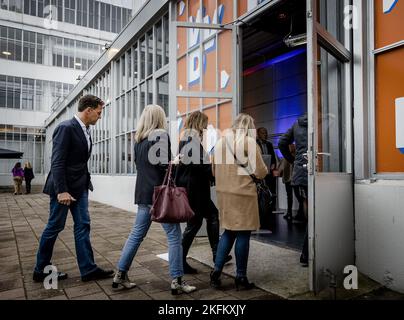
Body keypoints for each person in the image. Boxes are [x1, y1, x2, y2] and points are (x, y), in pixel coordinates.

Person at [112, 104, 197, 295]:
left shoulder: (139, 140)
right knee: (174, 236)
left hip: (143, 193)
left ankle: (120, 274)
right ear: (159, 118)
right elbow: (163, 166)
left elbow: (146, 165)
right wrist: (175, 161)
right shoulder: (160, 135)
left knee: (136, 235)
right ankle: (177, 281)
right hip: (159, 195)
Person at [33, 94, 114, 282]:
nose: (100, 116)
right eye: (99, 112)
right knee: (55, 226)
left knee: (83, 226)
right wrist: (62, 190)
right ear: (88, 110)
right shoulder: (66, 127)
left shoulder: (85, 129)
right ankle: (40, 269)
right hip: (64, 189)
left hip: (80, 187)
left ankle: (88, 269)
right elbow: (57, 161)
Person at [210, 114, 268, 290]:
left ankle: (216, 272)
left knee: (228, 232)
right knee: (243, 233)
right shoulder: (249, 143)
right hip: (243, 194)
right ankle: (240, 277)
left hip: (224, 194)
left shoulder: (220, 143)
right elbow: (261, 172)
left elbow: (213, 171)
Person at [175, 111, 232, 274]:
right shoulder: (191, 141)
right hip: (195, 190)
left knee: (207, 218)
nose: (206, 127)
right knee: (199, 222)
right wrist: (214, 165)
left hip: (192, 189)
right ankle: (184, 260)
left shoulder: (186, 139)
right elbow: (199, 166)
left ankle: (216, 254)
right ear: (199, 123)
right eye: (205, 124)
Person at [278, 114, 309, 267]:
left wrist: (293, 160)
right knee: (317, 215)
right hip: (321, 170)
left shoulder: (297, 123)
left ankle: (307, 252)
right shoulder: (326, 120)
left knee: (308, 209)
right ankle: (307, 252)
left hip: (301, 173)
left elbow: (282, 142)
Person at [256, 127, 277, 228]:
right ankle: (261, 214)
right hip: (259, 171)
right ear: (258, 134)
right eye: (263, 133)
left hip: (269, 172)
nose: (265, 134)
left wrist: (273, 165)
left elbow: (273, 157)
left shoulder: (269, 144)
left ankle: (269, 212)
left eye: (266, 133)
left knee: (270, 192)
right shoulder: (255, 143)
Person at [277, 144, 295, 220]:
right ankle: (290, 212)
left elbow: (281, 168)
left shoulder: (286, 157)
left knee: (290, 195)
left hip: (289, 178)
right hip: (294, 178)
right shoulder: (294, 155)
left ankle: (289, 212)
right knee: (293, 196)